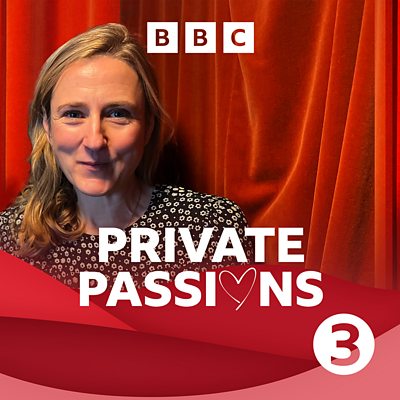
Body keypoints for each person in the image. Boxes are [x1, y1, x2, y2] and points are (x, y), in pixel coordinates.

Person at [0, 23, 253, 289]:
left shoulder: (211, 227)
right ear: (47, 127)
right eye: (73, 114)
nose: (95, 141)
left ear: (148, 128)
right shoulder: (9, 240)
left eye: (117, 114)